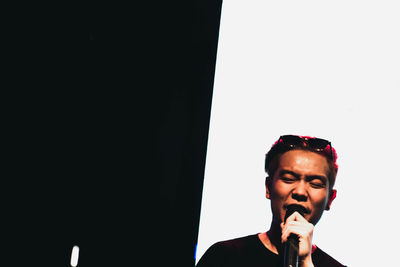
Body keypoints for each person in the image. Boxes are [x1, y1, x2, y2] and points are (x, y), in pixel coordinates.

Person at [196, 135, 346, 267]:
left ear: (330, 199)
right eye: (288, 179)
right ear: (268, 187)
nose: (300, 192)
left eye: (315, 183)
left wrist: (305, 262)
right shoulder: (225, 256)